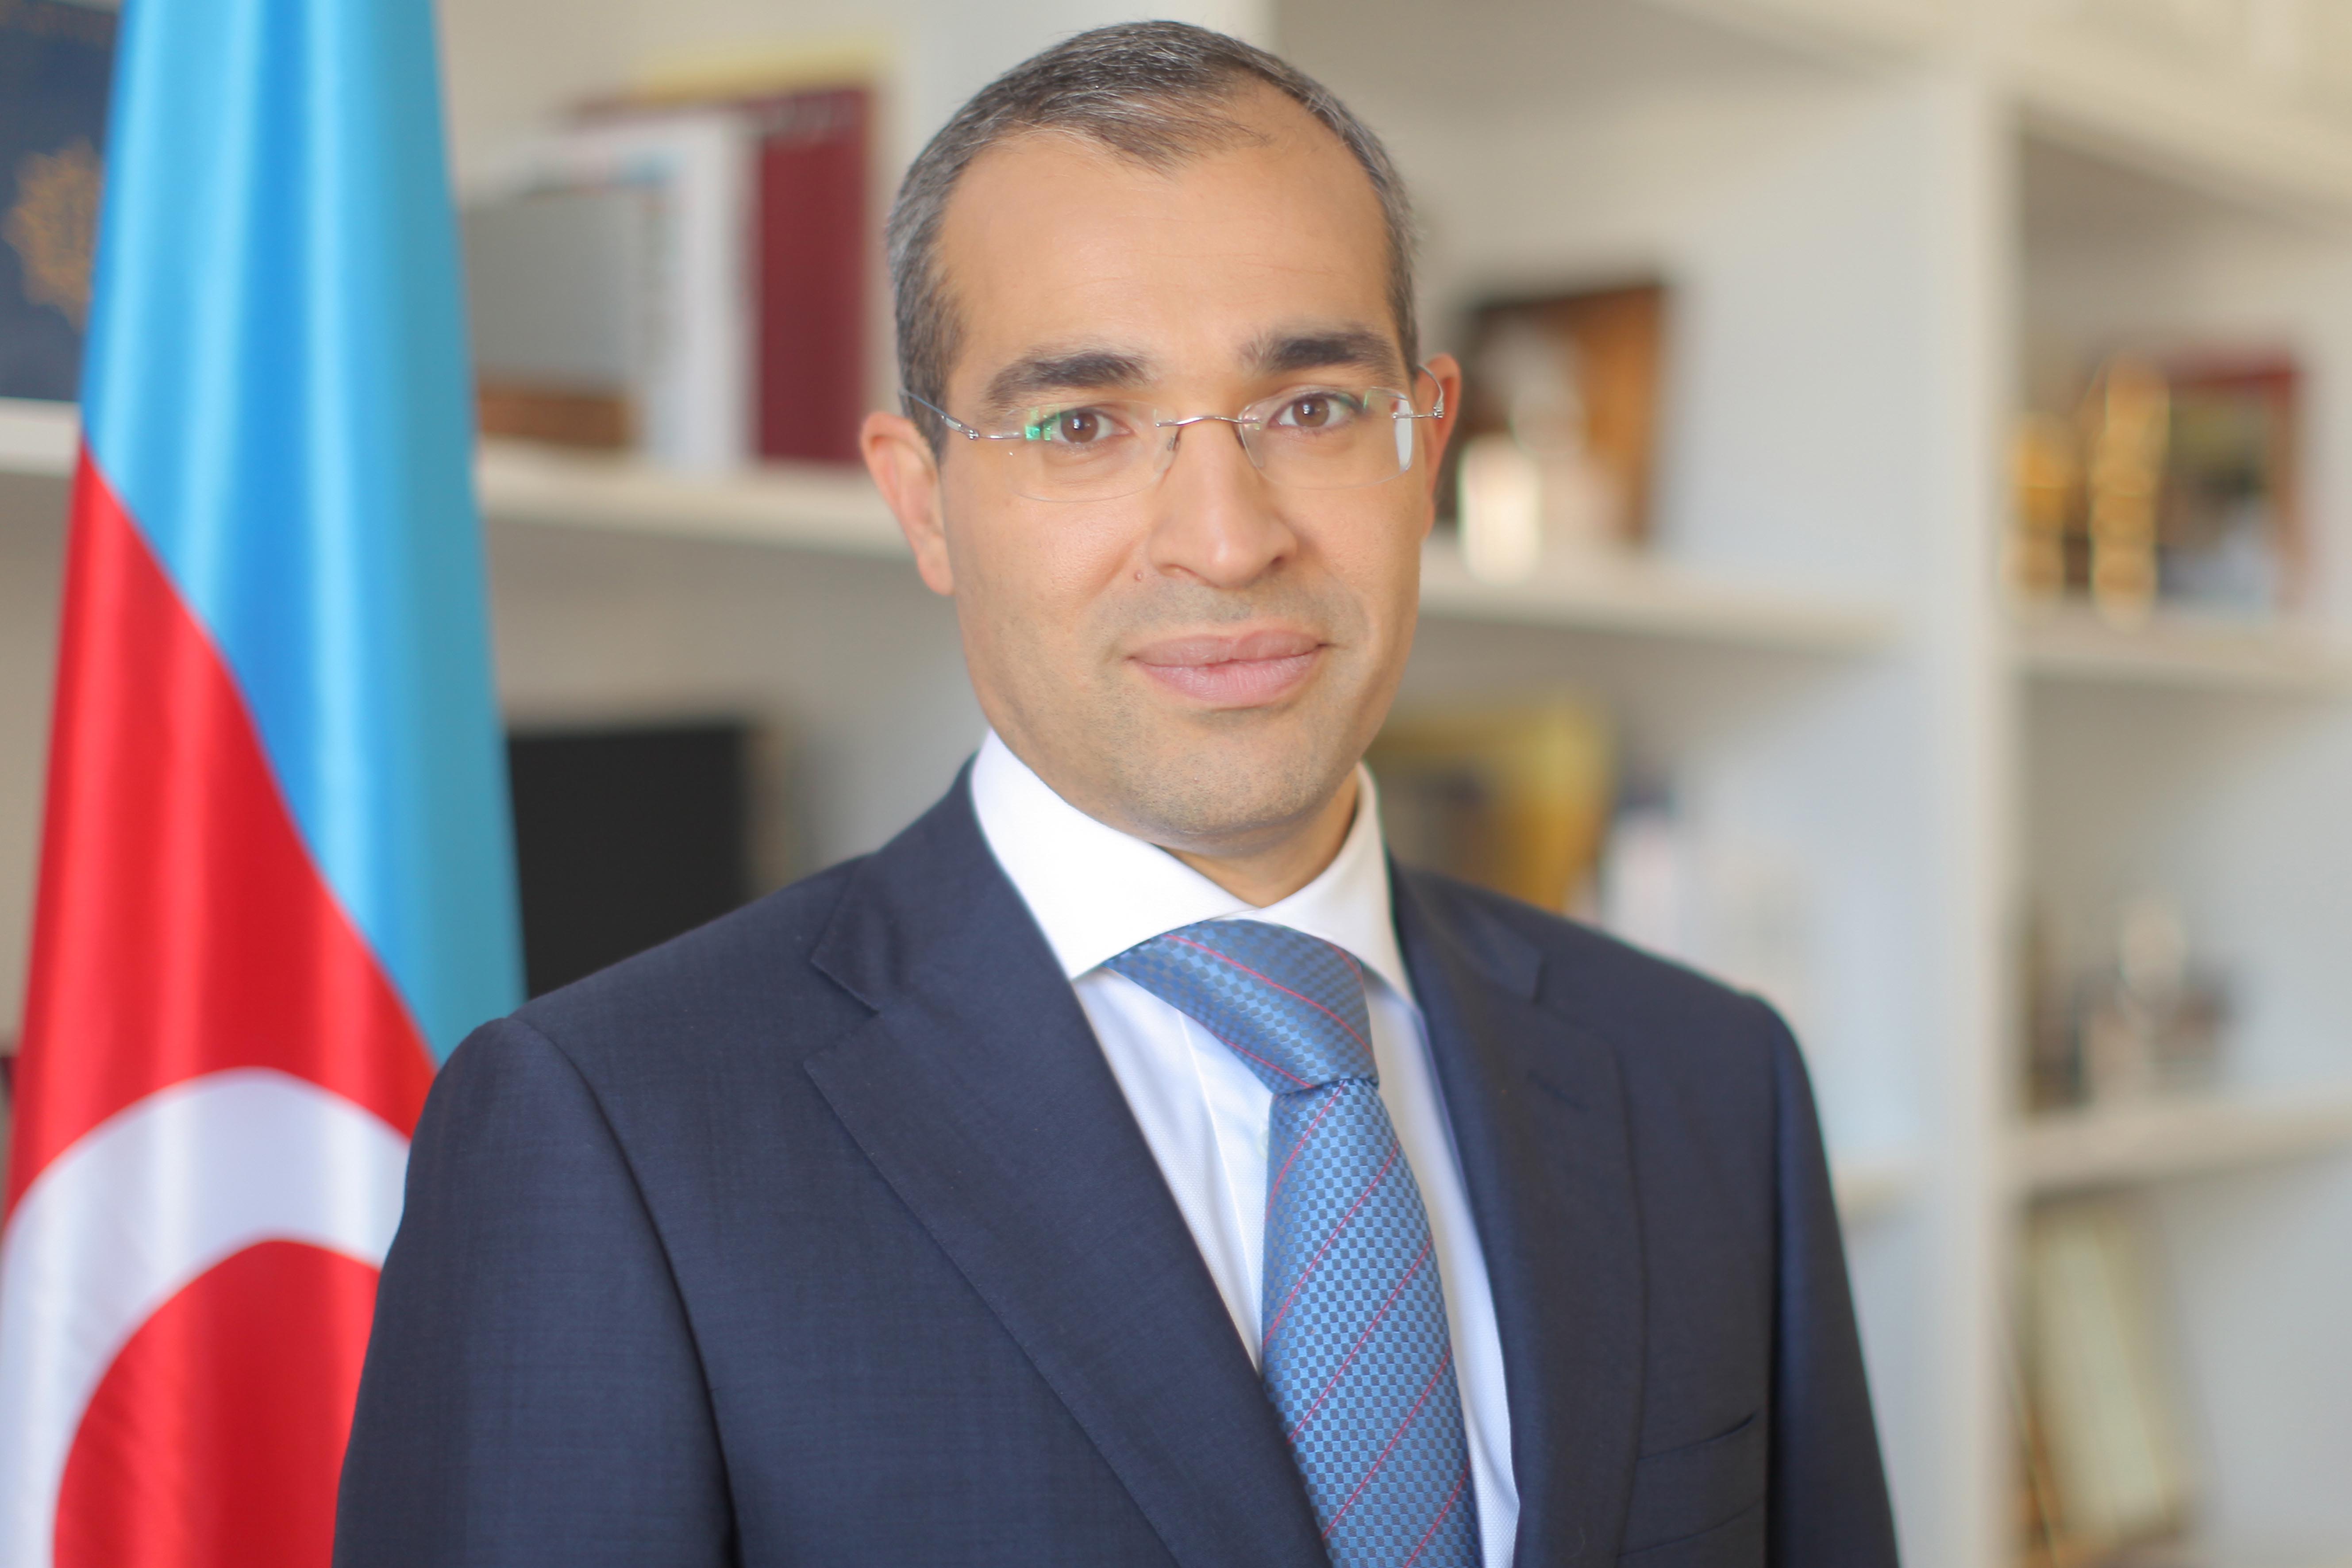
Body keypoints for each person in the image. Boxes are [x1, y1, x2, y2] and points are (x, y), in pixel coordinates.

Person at [336, 22, 1900, 1568]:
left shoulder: (1706, 1083)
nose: (1225, 540)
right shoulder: (609, 1135)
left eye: (1311, 407)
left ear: (1425, 446)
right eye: (1081, 426)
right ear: (922, 502)